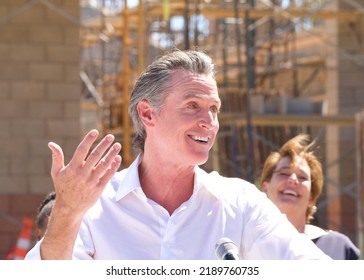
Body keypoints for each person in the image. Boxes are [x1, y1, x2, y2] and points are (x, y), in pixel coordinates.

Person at [25, 49, 330, 260]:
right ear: (148, 113)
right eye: (192, 106)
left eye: (214, 109)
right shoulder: (95, 206)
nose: (209, 123)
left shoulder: (240, 202)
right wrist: (67, 212)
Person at [260, 134, 360, 260]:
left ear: (311, 198)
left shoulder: (338, 247)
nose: (292, 180)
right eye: (284, 173)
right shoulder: (244, 246)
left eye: (302, 177)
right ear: (265, 189)